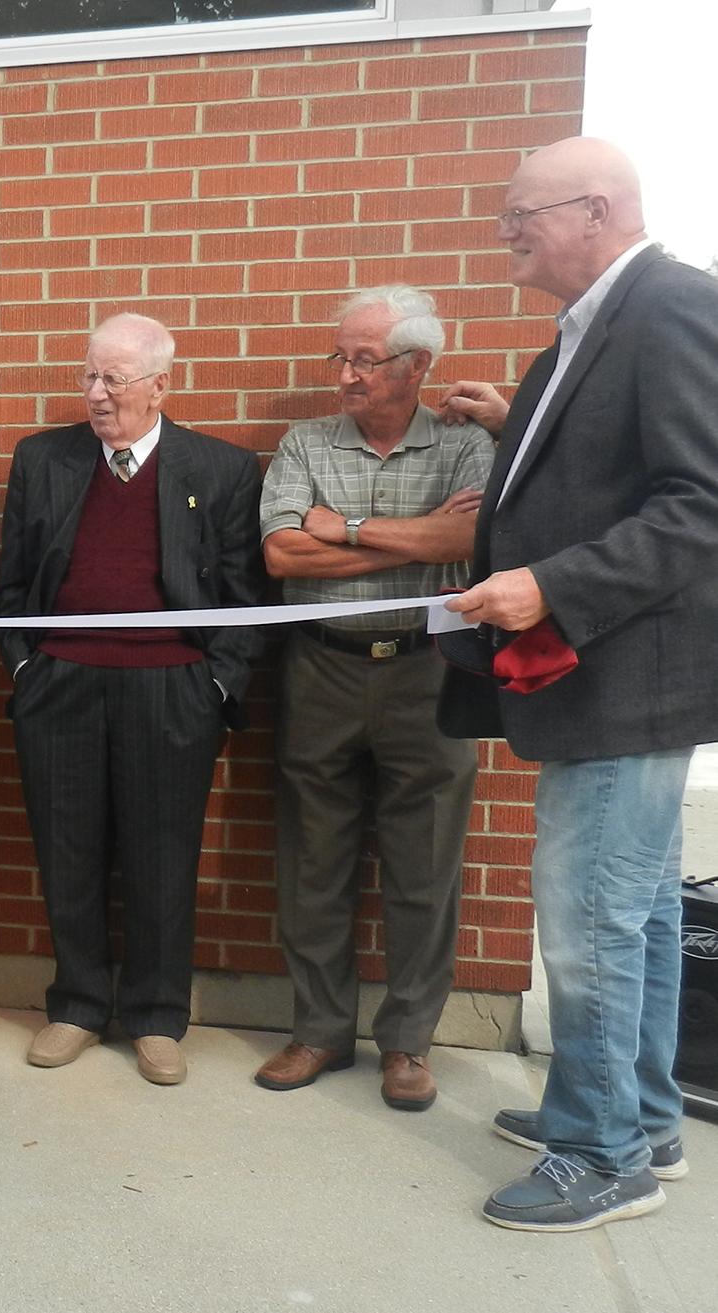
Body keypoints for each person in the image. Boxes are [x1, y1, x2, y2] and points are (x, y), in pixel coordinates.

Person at [438, 138, 718, 1232]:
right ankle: (637, 1113)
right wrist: (521, 436)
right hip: (610, 678)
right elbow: (626, 465)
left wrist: (548, 582)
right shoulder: (587, 330)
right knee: (639, 911)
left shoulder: (673, 307)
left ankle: (602, 1154)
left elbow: (701, 502)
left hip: (624, 678)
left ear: (594, 209)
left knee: (594, 916)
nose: (506, 234)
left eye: (522, 215)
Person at [0, 312, 264, 1086]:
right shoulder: (43, 459)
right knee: (66, 848)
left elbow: (246, 599)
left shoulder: (220, 470)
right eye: (89, 376)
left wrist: (213, 685)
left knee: (162, 855)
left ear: (160, 386)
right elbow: (11, 582)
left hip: (173, 691)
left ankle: (154, 1015)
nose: (98, 394)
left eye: (115, 379)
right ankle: (76, 1003)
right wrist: (25, 669)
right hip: (60, 685)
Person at [254, 286, 494, 1112]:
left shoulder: (465, 444)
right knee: (313, 858)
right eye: (341, 358)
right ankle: (318, 1029)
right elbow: (284, 554)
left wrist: (346, 530)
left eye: (366, 359)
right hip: (320, 668)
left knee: (424, 864)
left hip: (430, 670)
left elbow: (470, 540)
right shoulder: (305, 441)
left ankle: (408, 1043)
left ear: (417, 365)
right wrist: (411, 536)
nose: (347, 376)